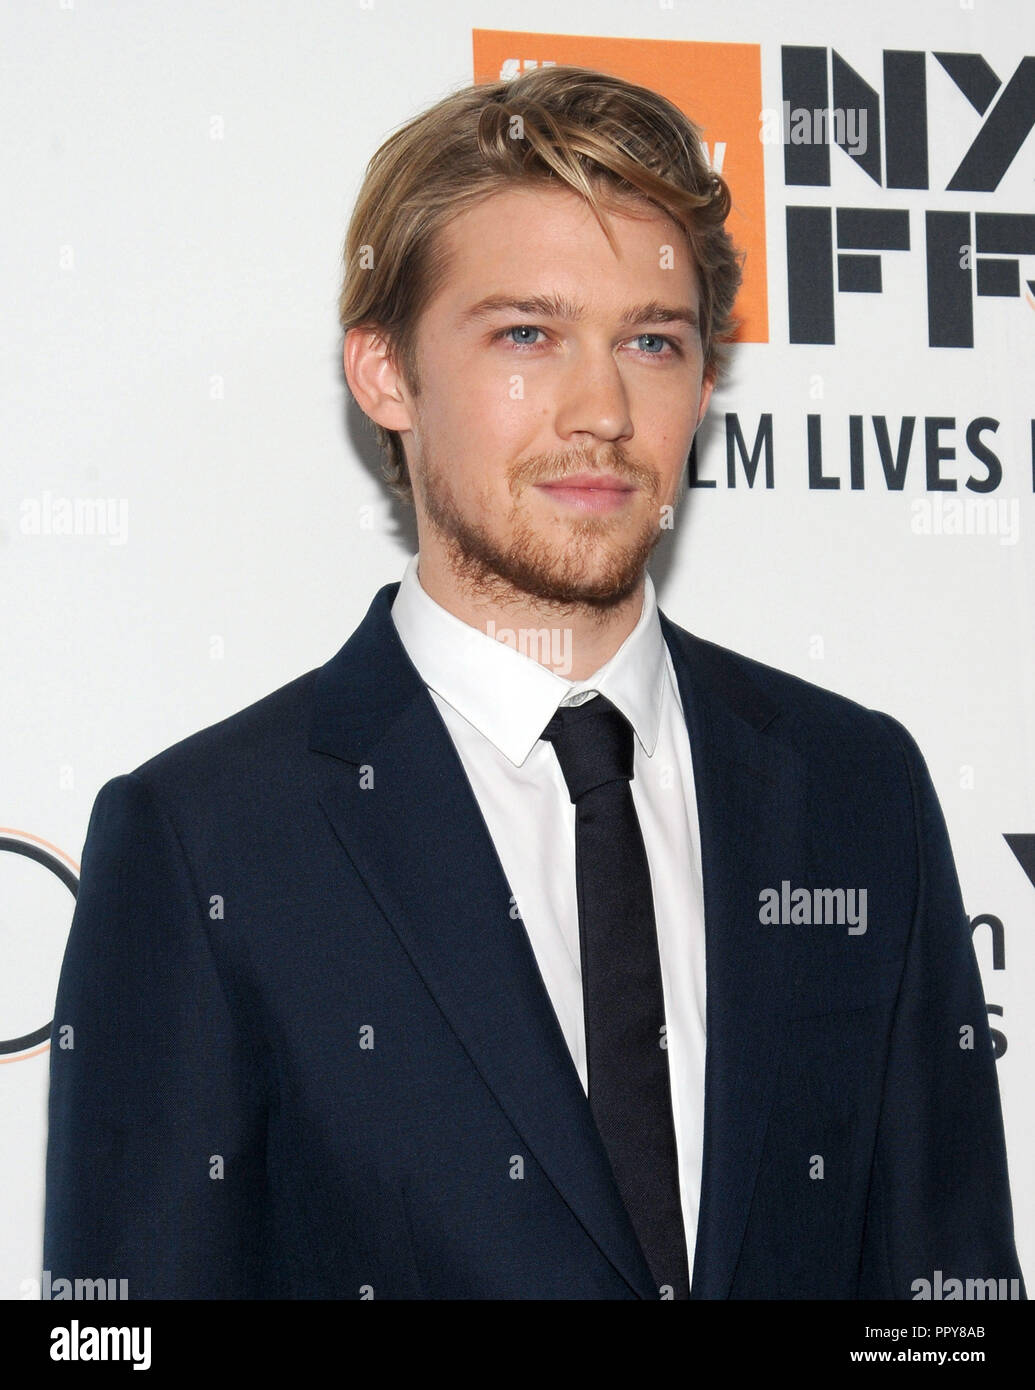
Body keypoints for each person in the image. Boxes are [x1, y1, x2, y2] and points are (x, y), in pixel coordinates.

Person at [44, 64, 1023, 1300]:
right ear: (386, 375)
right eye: (526, 335)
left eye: (652, 342)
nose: (601, 409)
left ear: (705, 387)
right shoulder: (206, 842)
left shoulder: (853, 786)